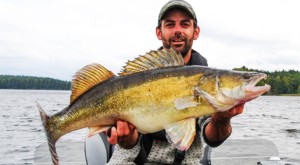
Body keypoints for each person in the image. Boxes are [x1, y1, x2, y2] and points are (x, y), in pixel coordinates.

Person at [105, 0, 244, 164]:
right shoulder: (142, 74)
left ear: (196, 32)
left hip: (186, 159)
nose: (178, 31)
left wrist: (222, 119)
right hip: (133, 156)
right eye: (170, 25)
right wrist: (127, 137)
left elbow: (212, 137)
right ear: (159, 32)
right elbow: (129, 141)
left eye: (185, 24)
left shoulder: (207, 81)